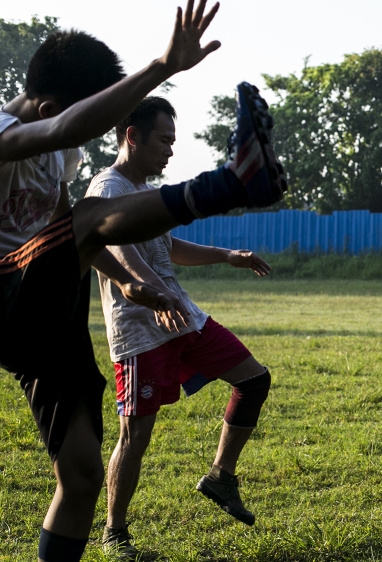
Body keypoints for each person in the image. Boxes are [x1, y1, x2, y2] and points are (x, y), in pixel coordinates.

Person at [0, 2, 287, 560]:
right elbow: (74, 173)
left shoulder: (59, 158)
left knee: (81, 475)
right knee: (88, 214)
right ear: (51, 107)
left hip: (42, 317)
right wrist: (162, 65)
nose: (76, 141)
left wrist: (124, 280)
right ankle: (229, 184)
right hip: (4, 295)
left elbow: (69, 237)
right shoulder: (6, 131)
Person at [86, 97, 273, 559]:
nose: (171, 150)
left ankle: (220, 476)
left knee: (254, 379)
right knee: (136, 434)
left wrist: (228, 255)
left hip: (183, 318)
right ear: (133, 136)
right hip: (140, 332)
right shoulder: (108, 188)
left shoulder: (145, 187)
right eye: (164, 140)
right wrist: (153, 292)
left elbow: (169, 245)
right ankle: (115, 533)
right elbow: (121, 255)